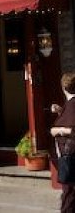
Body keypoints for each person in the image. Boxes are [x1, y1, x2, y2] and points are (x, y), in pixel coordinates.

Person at [51, 72, 75, 213]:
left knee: (69, 191)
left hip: (70, 154)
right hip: (70, 153)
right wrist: (61, 111)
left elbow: (71, 129)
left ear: (63, 88)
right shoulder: (70, 104)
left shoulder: (72, 104)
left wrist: (58, 130)